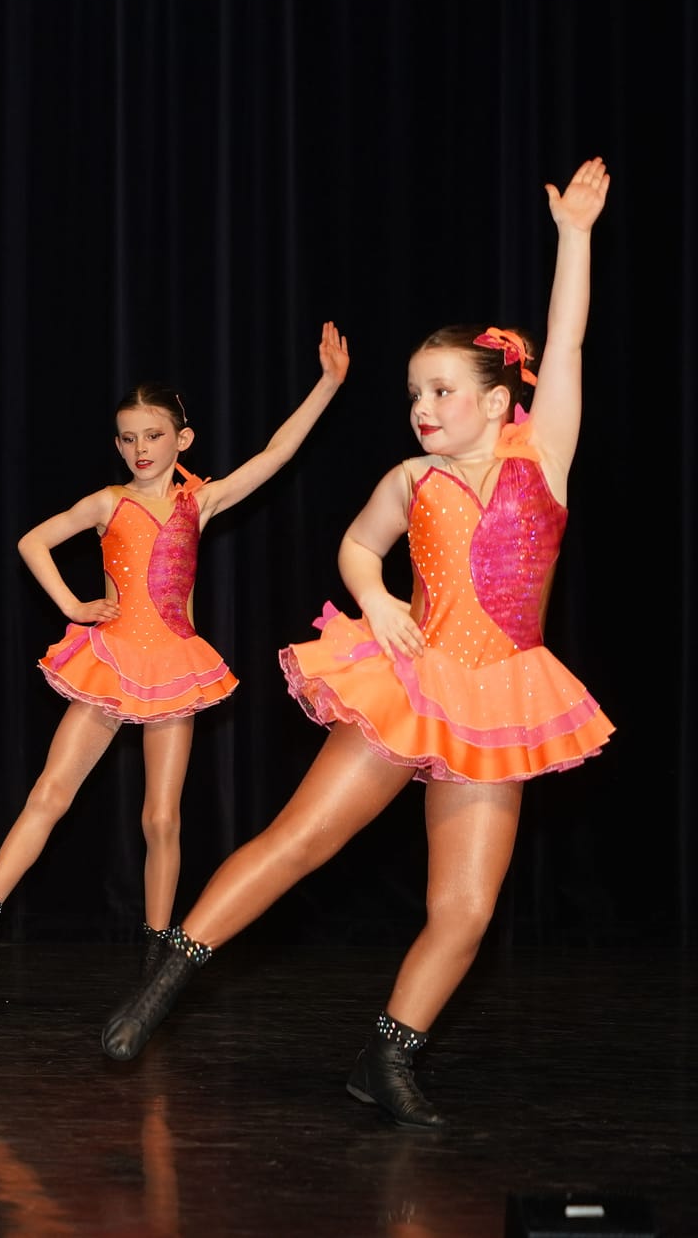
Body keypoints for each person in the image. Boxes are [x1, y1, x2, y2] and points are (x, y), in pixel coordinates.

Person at [100, 158, 616, 1131]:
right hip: (410, 684)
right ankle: (160, 984)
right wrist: (375, 596)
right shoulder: (409, 479)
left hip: (500, 703)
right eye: (413, 391)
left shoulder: (542, 457)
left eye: (441, 390)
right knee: (299, 840)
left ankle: (387, 1055)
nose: (422, 406)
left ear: (495, 400)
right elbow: (355, 545)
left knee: (465, 907)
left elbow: (568, 339)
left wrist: (576, 237)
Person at [0, 326, 349, 990]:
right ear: (117, 444)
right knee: (50, 791)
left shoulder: (199, 501)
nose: (140, 448)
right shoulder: (109, 503)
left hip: (173, 668)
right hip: (111, 658)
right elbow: (32, 541)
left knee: (161, 816)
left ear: (182, 439)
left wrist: (327, 384)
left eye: (153, 436)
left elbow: (276, 454)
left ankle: (157, 947)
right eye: (128, 438)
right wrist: (73, 604)